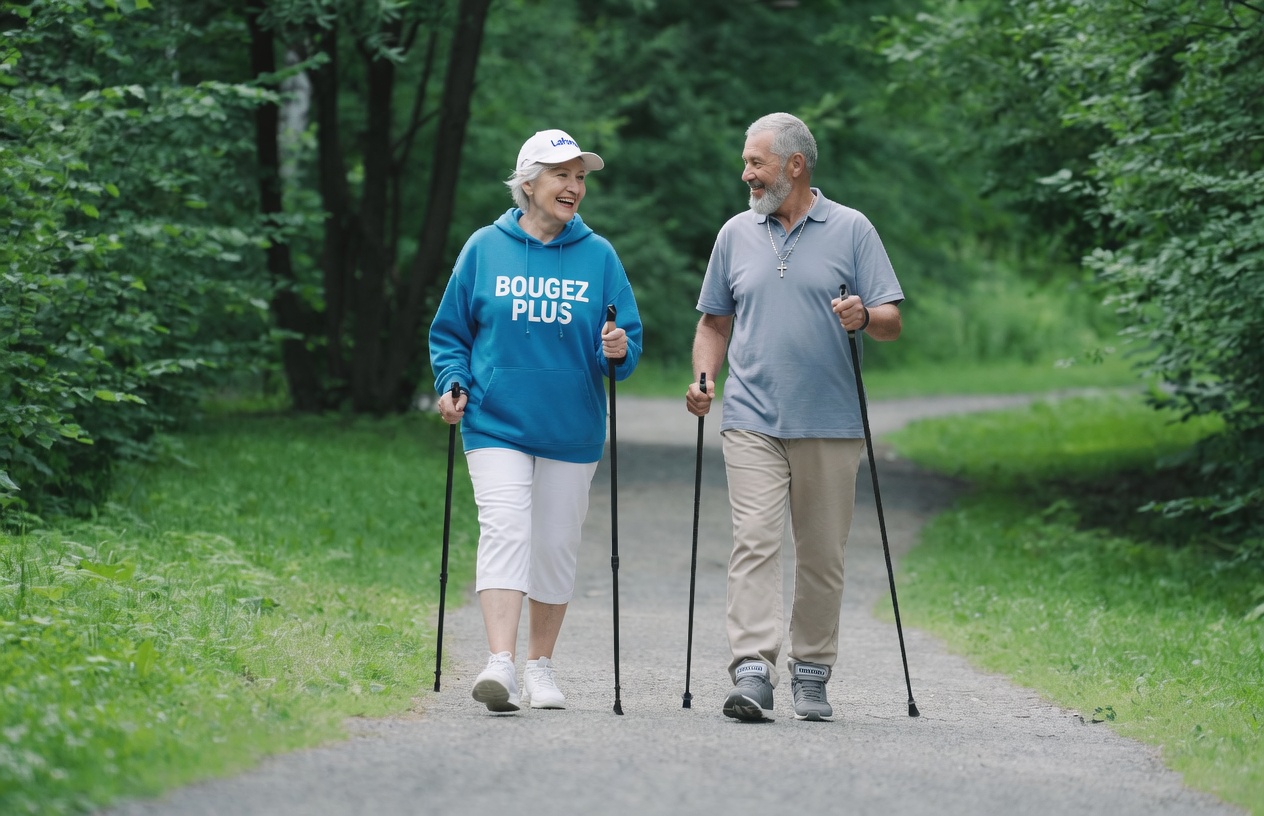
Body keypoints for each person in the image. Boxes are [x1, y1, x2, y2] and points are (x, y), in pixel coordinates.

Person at [685, 112, 904, 722]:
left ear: (795, 165)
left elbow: (891, 320)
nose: (746, 174)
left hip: (831, 420)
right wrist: (704, 378)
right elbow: (713, 322)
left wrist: (865, 316)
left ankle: (812, 670)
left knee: (822, 554)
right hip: (751, 417)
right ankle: (753, 670)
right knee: (754, 541)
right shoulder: (735, 233)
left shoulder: (853, 229)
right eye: (747, 163)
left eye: (756, 163)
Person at [429, 128, 643, 713]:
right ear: (528, 183)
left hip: (571, 428)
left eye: (580, 177)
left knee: (553, 545)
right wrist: (452, 383)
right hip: (494, 421)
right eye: (561, 175)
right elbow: (450, 334)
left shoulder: (599, 256)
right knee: (505, 528)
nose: (574, 187)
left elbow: (625, 344)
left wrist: (617, 348)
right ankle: (499, 662)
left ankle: (539, 666)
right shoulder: (483, 248)